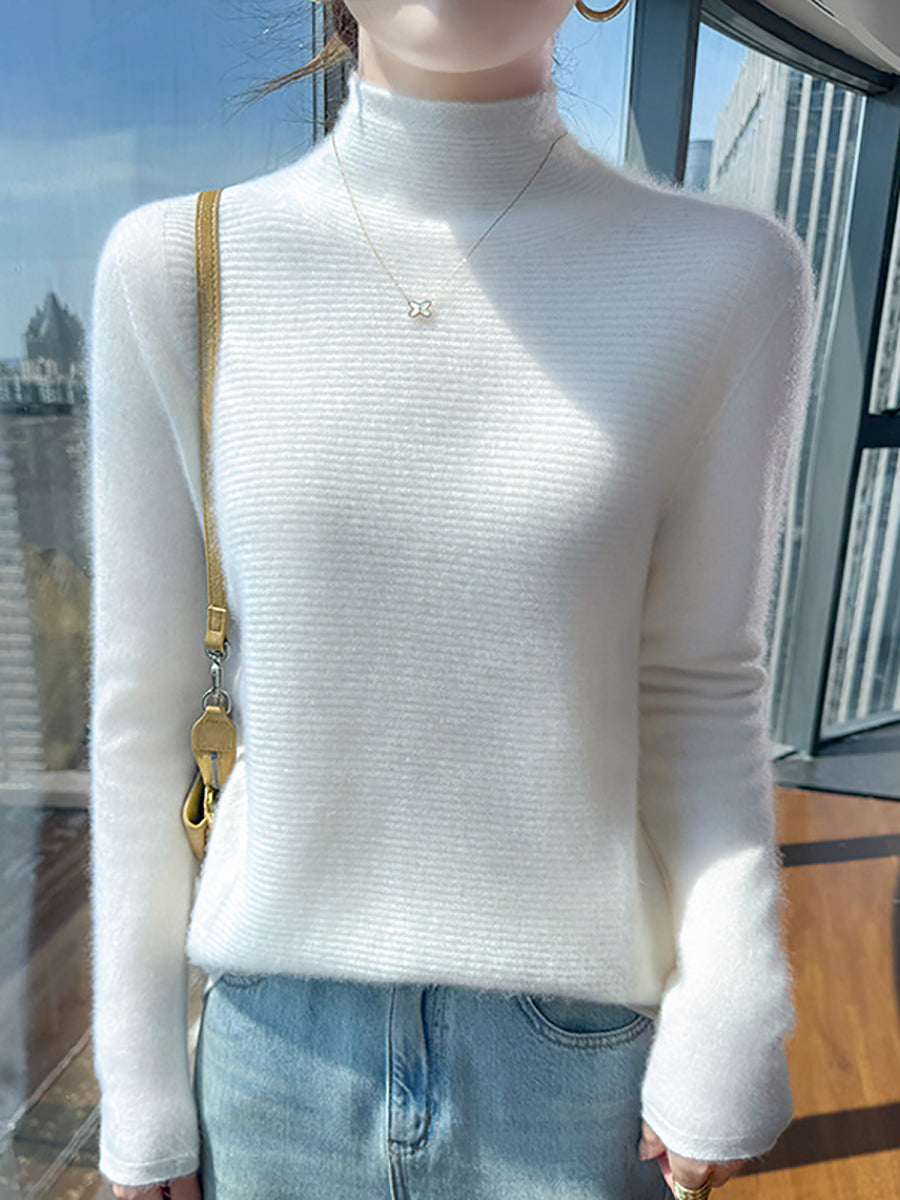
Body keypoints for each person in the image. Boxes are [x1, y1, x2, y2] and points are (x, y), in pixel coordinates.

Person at [87, 1, 817, 1198]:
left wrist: (734, 1006)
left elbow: (695, 679)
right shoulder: (177, 268)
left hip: (578, 1070)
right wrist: (138, 1086)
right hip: (269, 1060)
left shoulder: (725, 277)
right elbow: (144, 711)